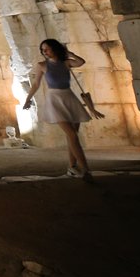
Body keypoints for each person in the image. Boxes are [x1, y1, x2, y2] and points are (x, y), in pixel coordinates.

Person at [24, 38, 93, 182]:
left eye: (47, 49)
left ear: (55, 48)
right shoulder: (42, 65)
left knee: (72, 136)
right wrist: (28, 99)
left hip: (69, 97)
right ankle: (85, 169)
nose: (45, 52)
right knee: (72, 135)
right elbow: (36, 84)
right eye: (43, 50)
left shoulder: (65, 62)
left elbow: (81, 62)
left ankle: (72, 167)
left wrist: (69, 53)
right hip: (55, 99)